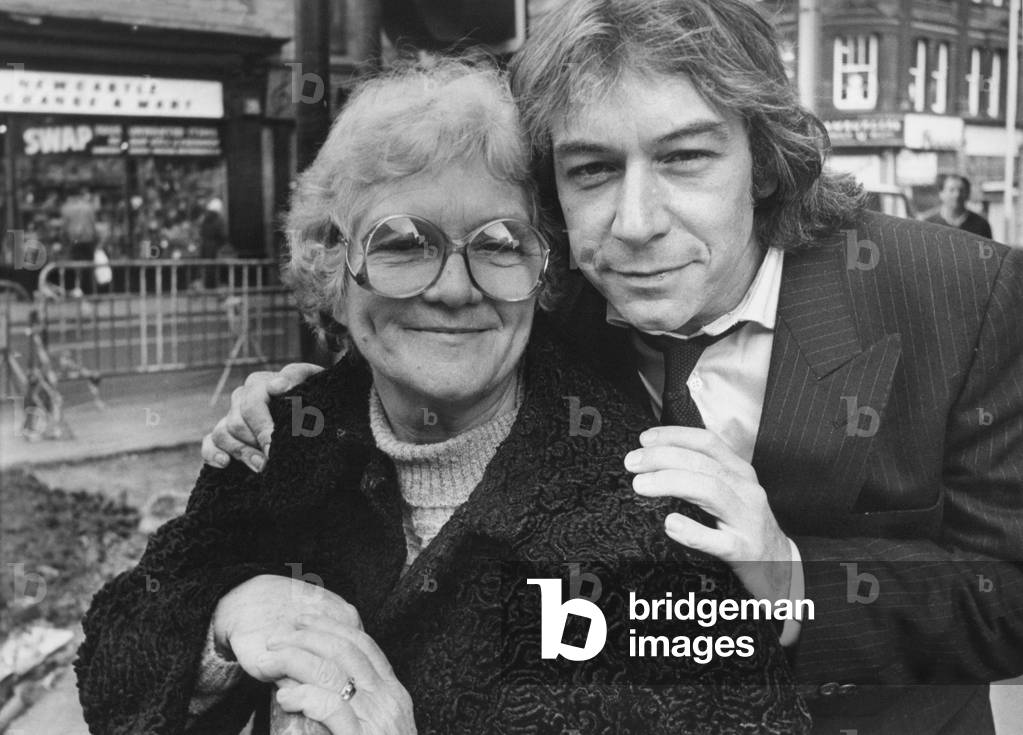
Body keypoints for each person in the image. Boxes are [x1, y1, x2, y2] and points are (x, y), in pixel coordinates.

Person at [207, 1, 1023, 733]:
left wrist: (792, 578)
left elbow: (1010, 598)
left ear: (763, 157)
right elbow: (418, 337)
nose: (634, 224)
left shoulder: (958, 294)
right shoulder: (547, 303)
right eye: (592, 169)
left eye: (684, 157)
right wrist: (307, 405)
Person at [75, 59, 810, 735]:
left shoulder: (652, 512)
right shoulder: (279, 440)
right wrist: (228, 620)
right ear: (333, 269)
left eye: (497, 244)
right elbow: (119, 648)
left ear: (542, 272)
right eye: (403, 244)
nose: (454, 290)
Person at [924, 174, 994, 239]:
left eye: (961, 190)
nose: (957, 195)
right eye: (952, 190)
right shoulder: (928, 225)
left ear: (968, 194)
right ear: (941, 193)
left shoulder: (981, 225)